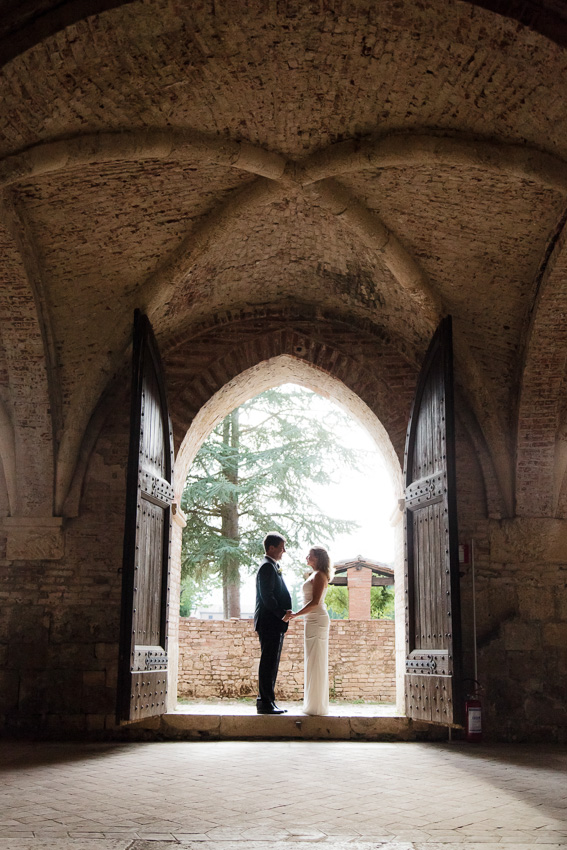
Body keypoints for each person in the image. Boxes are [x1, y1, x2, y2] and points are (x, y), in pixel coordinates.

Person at [289, 546, 332, 716]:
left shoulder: (320, 575)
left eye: (310, 555)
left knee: (317, 659)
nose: (307, 557)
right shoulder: (314, 575)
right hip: (311, 620)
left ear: (318, 558)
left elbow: (315, 602)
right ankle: (312, 704)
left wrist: (296, 615)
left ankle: (317, 706)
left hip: (317, 619)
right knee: (311, 660)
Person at [254, 532, 292, 715]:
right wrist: (281, 614)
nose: (284, 551)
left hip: (274, 623)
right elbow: (267, 596)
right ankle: (264, 703)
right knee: (268, 662)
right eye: (281, 547)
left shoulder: (272, 566)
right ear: (271, 548)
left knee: (272, 662)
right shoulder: (267, 567)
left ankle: (269, 701)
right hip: (270, 622)